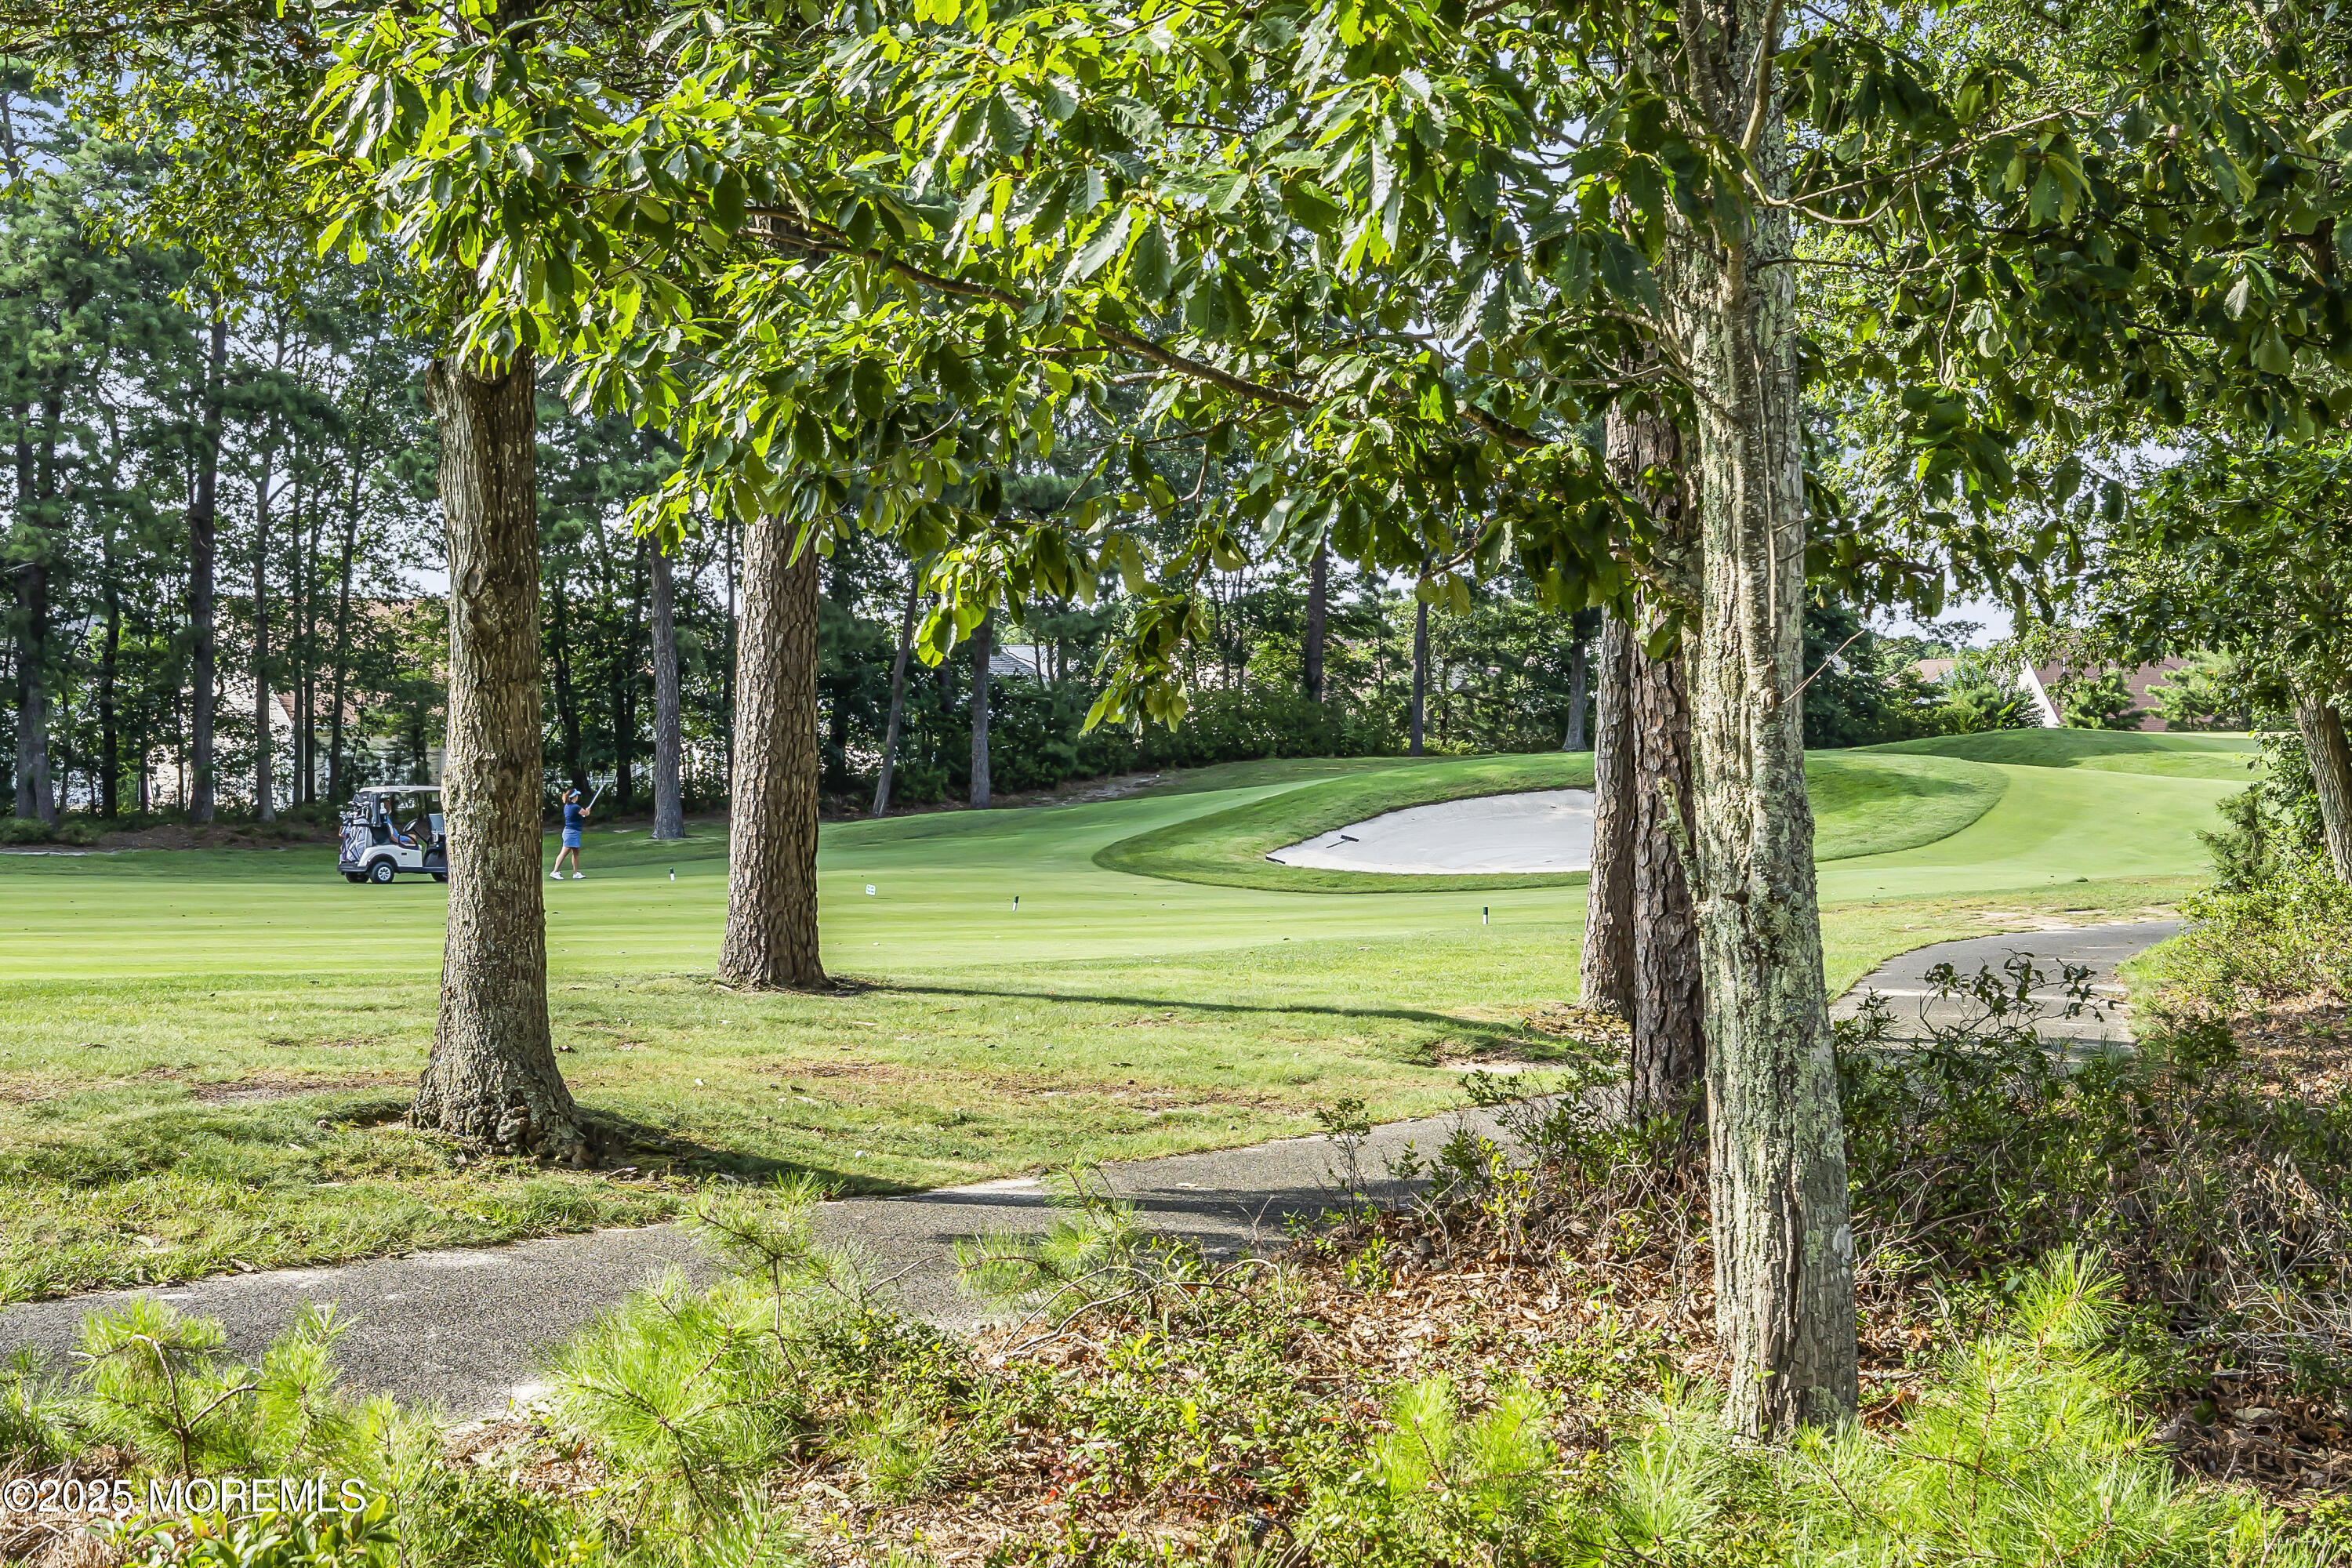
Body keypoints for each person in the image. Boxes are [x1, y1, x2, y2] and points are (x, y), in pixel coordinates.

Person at [553, 788, 588, 880]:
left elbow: (581, 814)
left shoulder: (568, 806)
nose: (578, 797)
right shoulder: (575, 807)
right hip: (571, 832)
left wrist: (584, 813)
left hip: (573, 832)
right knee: (564, 852)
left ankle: (576, 873)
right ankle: (555, 872)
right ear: (574, 797)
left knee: (576, 853)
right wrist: (587, 810)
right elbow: (586, 813)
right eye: (577, 796)